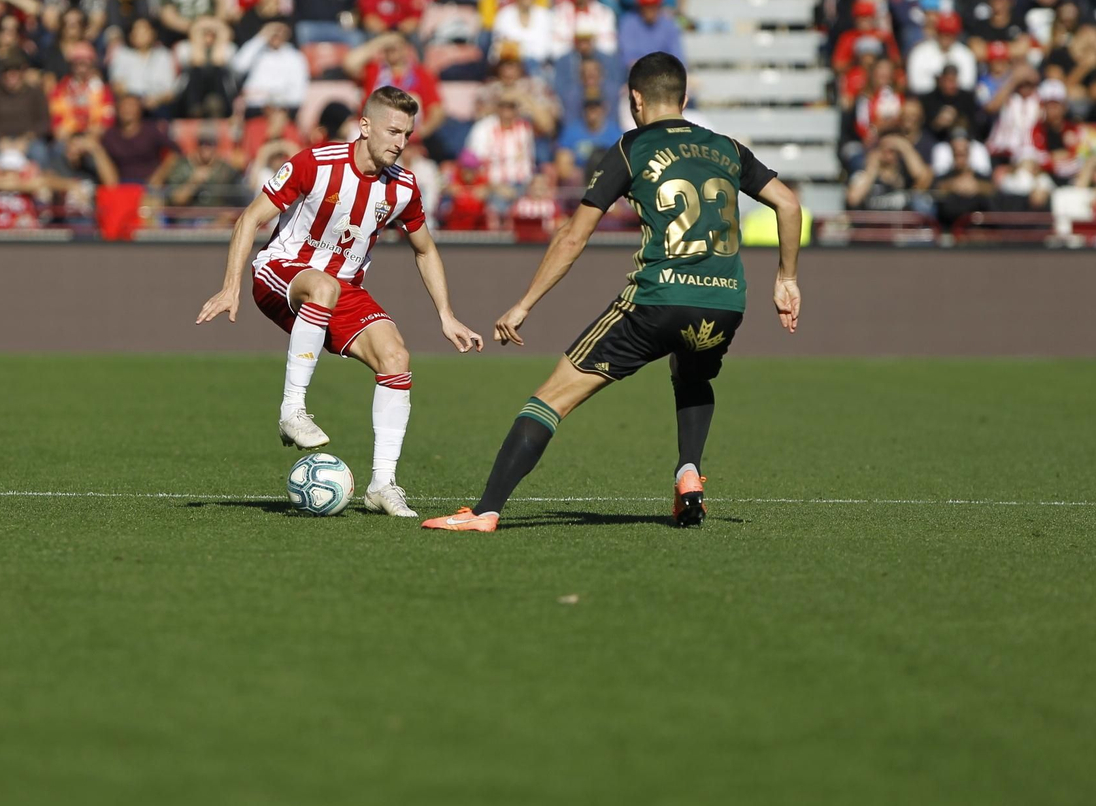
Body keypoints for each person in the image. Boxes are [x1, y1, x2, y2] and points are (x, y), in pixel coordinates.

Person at [423, 52, 803, 533]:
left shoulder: (632, 147)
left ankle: (484, 512)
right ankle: (689, 470)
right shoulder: (727, 147)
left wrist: (523, 305)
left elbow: (573, 237)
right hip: (725, 302)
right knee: (691, 373)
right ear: (684, 99)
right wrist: (786, 278)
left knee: (551, 398)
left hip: (657, 300)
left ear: (635, 100)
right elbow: (788, 205)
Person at [196, 86, 486, 518]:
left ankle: (382, 485)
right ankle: (292, 410)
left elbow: (425, 249)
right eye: (392, 131)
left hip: (341, 289)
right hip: (282, 273)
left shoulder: (403, 188)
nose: (399, 142)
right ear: (365, 126)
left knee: (396, 356)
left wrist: (446, 314)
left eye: (406, 135)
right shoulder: (315, 162)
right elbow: (251, 218)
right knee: (325, 287)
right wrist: (229, 286)